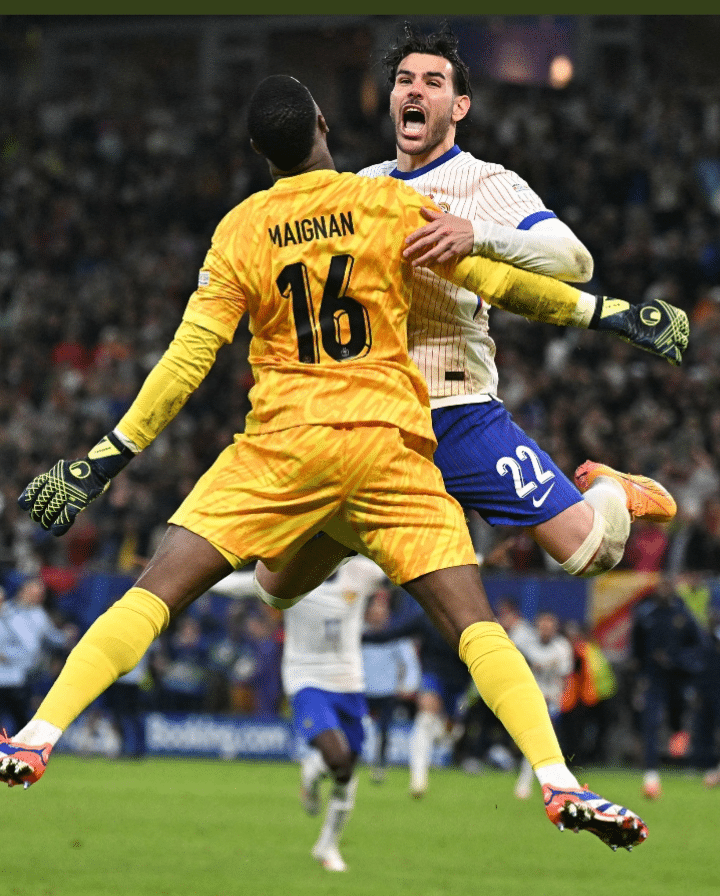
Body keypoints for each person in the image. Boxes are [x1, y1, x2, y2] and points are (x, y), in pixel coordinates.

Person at [1, 73, 652, 851]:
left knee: (158, 591)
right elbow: (498, 281)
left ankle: (38, 734)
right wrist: (610, 314)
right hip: (389, 447)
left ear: (256, 151)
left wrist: (103, 460)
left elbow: (187, 360)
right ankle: (558, 780)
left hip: (283, 450)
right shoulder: (385, 203)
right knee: (472, 624)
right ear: (322, 123)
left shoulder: (239, 230)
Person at [252, 22, 686, 602]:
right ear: (390, 100)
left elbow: (574, 259)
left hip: (457, 411)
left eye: (433, 82)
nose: (414, 91)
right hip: (369, 423)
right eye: (404, 80)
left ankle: (610, 488)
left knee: (593, 553)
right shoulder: (360, 187)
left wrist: (477, 234)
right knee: (273, 587)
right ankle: (364, 521)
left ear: (459, 106)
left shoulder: (485, 183)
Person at [214, 554, 387, 872]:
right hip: (307, 679)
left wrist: (479, 559)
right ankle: (313, 769)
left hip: (350, 683)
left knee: (347, 772)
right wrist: (182, 576)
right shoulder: (293, 575)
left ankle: (327, 845)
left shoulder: (361, 571)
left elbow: (416, 567)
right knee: (337, 759)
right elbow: (242, 585)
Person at [630, 577, 704, 799]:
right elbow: (636, 647)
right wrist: (639, 673)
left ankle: (680, 745)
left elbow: (697, 645)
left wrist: (676, 660)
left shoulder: (682, 614)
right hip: (653, 679)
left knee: (677, 719)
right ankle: (651, 774)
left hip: (677, 678)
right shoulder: (645, 614)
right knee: (650, 723)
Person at [361, 585, 420, 785]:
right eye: (376, 608)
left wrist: (409, 686)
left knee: (384, 730)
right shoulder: (360, 633)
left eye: (383, 608)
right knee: (356, 726)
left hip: (387, 690)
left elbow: (410, 662)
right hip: (362, 690)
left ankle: (379, 765)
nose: (379, 613)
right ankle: (351, 759)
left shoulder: (395, 636)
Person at [514, 612, 573, 800]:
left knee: (545, 741)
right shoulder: (527, 646)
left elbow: (565, 677)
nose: (546, 630)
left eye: (550, 626)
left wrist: (558, 699)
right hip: (529, 697)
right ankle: (534, 782)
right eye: (542, 626)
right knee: (531, 740)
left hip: (552, 699)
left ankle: (540, 784)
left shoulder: (562, 647)